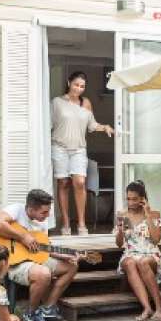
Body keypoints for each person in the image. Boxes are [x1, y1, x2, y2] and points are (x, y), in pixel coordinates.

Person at [0, 189, 79, 321]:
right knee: (43, 273)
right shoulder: (16, 210)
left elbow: (43, 248)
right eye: (44, 212)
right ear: (31, 209)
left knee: (71, 266)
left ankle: (48, 308)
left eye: (48, 211)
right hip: (14, 262)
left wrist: (64, 255)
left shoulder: (42, 222)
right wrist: (23, 237)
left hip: (34, 259)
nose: (48, 215)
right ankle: (31, 313)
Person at [51, 71, 114, 236]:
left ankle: (81, 223)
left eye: (82, 86)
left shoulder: (86, 103)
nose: (79, 89)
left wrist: (105, 127)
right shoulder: (57, 102)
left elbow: (92, 125)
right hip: (59, 147)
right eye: (76, 85)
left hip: (79, 149)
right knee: (63, 183)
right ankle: (66, 223)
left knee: (79, 182)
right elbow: (47, 124)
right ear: (69, 83)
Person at [114, 180, 161, 321]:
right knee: (130, 263)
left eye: (134, 199)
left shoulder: (154, 214)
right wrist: (120, 231)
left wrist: (147, 215)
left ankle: (159, 307)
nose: (130, 203)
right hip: (131, 253)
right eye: (128, 199)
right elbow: (119, 244)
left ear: (142, 199)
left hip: (150, 253)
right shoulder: (122, 214)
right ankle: (147, 308)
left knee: (143, 262)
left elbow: (156, 240)